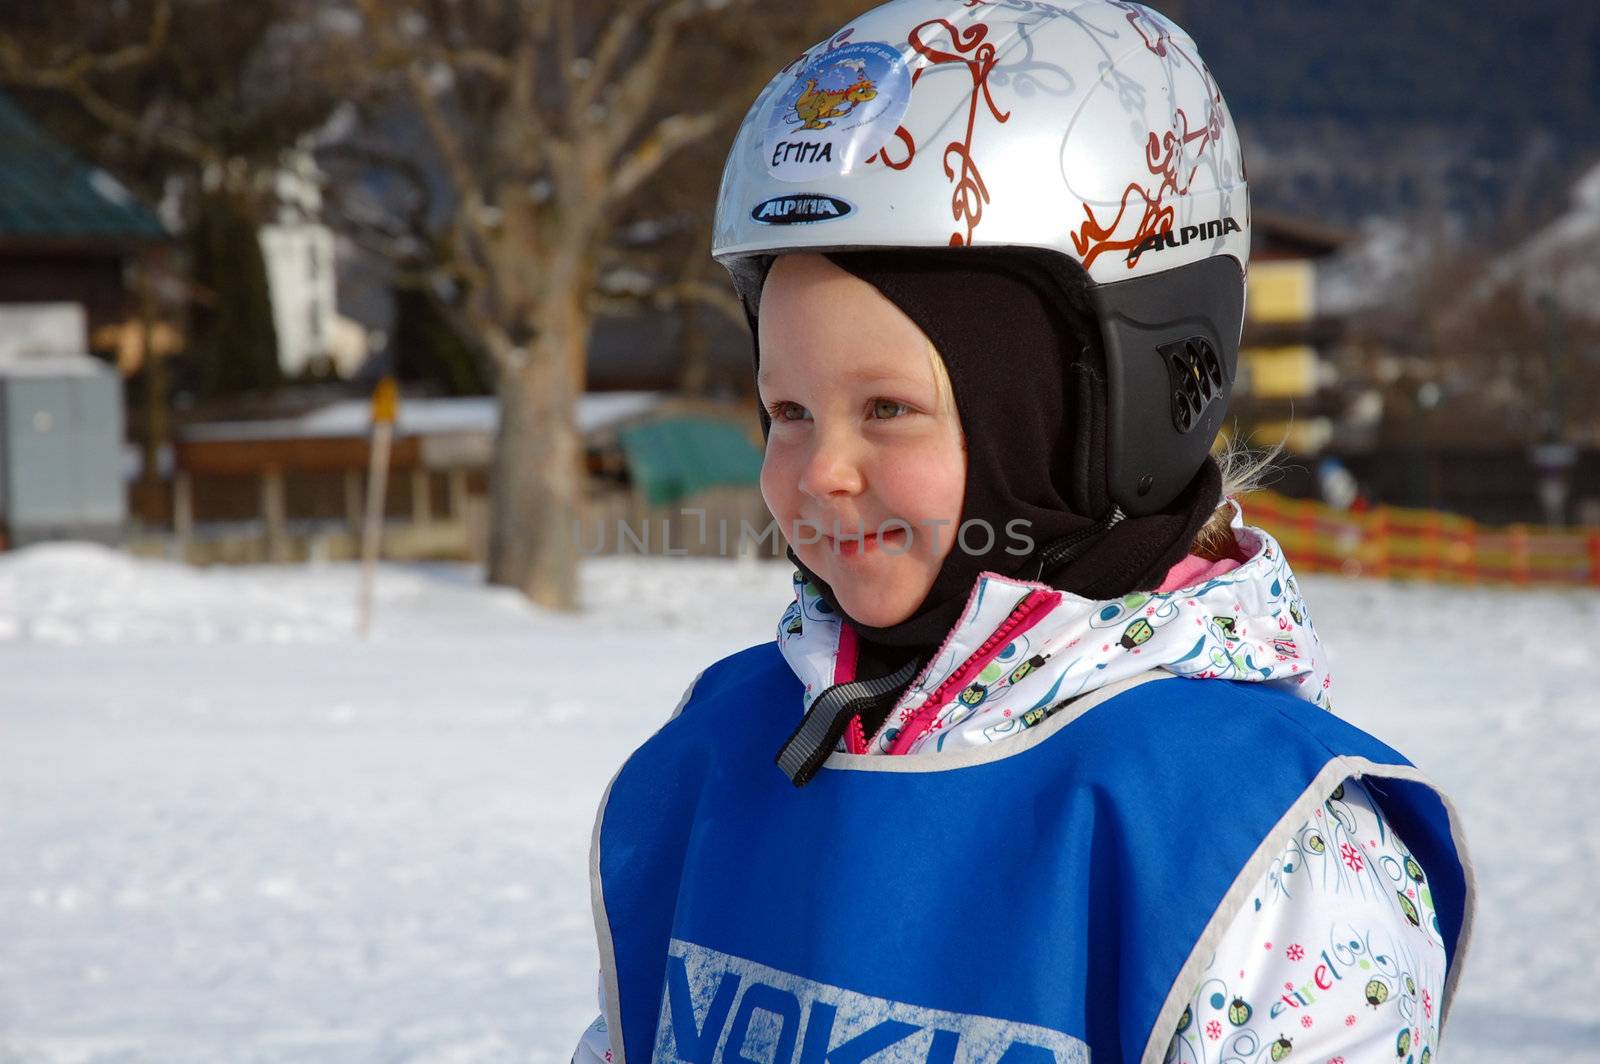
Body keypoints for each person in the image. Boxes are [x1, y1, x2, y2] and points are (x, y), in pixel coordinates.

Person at [576, 3, 1473, 1062]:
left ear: (1089, 416)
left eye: (888, 410)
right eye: (787, 412)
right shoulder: (727, 746)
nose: (818, 470)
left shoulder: (1257, 847)